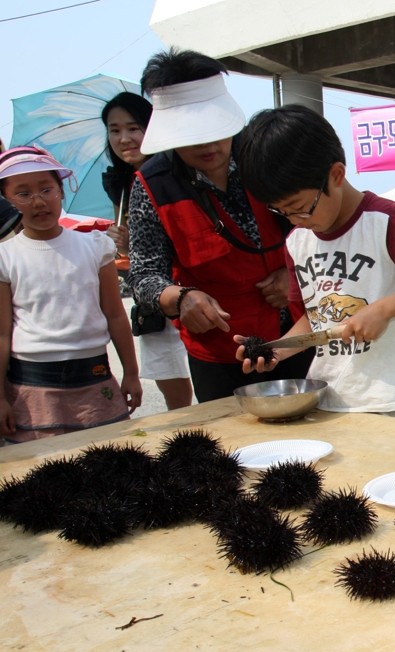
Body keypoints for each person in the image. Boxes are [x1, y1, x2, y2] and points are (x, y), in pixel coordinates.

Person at [233, 104, 395, 420]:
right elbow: (315, 319)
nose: (296, 220)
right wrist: (277, 348)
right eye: (282, 212)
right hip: (327, 397)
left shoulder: (386, 221)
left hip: (389, 401)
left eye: (300, 207)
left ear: (335, 175)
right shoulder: (297, 241)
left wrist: (382, 309)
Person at [126, 48, 312, 402]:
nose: (208, 145)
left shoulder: (265, 155)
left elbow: (317, 224)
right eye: (192, 135)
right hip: (218, 351)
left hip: (296, 333)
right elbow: (143, 274)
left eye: (215, 129)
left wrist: (297, 277)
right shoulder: (152, 184)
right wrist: (180, 298)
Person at [0, 146, 142, 442]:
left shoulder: (94, 246)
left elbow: (115, 315)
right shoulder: (5, 256)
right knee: (42, 471)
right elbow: (2, 334)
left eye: (46, 189)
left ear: (61, 192)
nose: (38, 201)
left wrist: (131, 372)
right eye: (23, 194)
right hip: (32, 384)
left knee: (106, 460)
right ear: (6, 200)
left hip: (93, 375)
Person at [101, 91, 193, 410]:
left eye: (133, 128)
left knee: (217, 391)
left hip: (194, 294)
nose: (124, 138)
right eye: (114, 130)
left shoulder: (179, 173)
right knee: (178, 401)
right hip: (154, 308)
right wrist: (126, 247)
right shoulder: (120, 183)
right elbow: (136, 259)